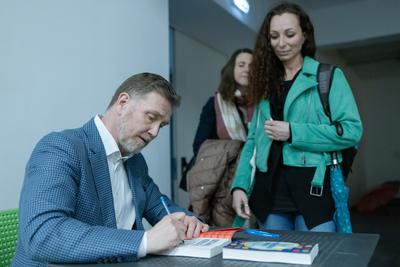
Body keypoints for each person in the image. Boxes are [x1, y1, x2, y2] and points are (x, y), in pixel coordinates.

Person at [12, 73, 208, 266]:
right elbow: (42, 233)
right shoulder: (61, 148)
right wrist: (145, 241)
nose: (154, 132)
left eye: (161, 125)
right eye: (151, 117)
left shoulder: (136, 162)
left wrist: (189, 221)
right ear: (122, 103)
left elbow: (160, 205)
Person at [231, 3, 362, 232]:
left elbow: (351, 131)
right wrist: (240, 186)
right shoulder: (264, 83)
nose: (281, 43)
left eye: (289, 34)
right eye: (274, 36)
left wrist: (293, 131)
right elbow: (253, 141)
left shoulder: (327, 76)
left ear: (305, 35)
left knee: (319, 260)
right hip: (269, 192)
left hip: (314, 190)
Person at [184, 49, 254, 226]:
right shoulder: (215, 104)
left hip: (255, 180)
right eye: (241, 64)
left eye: (252, 65)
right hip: (222, 184)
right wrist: (235, 149)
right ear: (232, 69)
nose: (247, 69)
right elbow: (199, 146)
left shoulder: (264, 105)